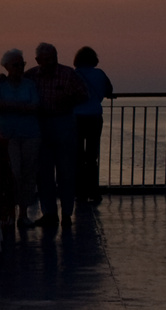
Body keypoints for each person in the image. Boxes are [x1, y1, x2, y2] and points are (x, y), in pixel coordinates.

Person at [24, 42, 88, 229]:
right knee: (43, 173)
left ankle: (67, 213)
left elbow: (84, 95)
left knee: (66, 171)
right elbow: (15, 83)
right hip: (40, 125)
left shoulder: (68, 74)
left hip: (64, 123)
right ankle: (49, 214)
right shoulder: (31, 76)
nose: (50, 63)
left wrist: (67, 103)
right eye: (46, 60)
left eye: (53, 58)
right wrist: (0, 78)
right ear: (38, 60)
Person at [0, 49, 41, 230]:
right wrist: (15, 105)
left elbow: (35, 105)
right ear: (7, 67)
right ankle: (10, 213)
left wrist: (7, 106)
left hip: (30, 134)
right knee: (14, 174)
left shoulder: (29, 84)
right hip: (8, 136)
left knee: (28, 174)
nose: (20, 68)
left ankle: (23, 215)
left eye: (22, 64)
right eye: (16, 65)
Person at [71, 47, 116, 205]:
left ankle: (79, 192)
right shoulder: (100, 74)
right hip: (95, 117)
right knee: (91, 156)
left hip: (76, 118)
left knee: (77, 156)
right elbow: (109, 91)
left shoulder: (74, 74)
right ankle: (94, 191)